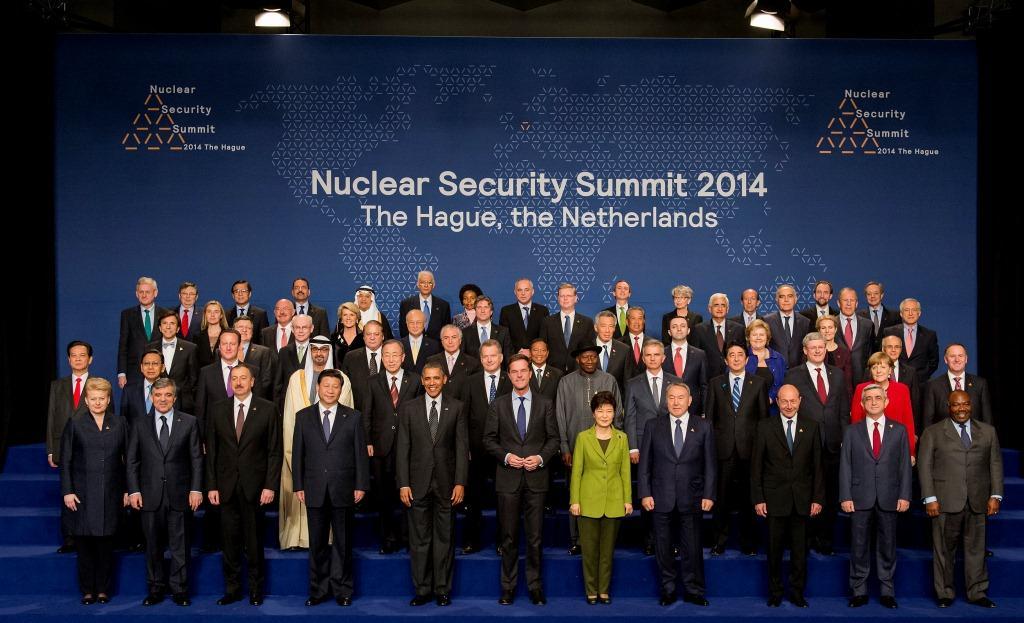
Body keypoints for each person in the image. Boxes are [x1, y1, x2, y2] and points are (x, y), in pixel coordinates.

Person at [483, 354, 559, 605]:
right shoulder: (498, 404)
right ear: (509, 375)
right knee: (508, 536)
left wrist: (540, 458)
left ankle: (535, 586)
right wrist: (505, 456)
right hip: (508, 479)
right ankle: (508, 587)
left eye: (523, 371)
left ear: (529, 373)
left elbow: (554, 439)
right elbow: (489, 439)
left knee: (535, 538)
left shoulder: (545, 403)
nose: (518, 375)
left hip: (537, 478)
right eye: (513, 372)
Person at [292, 369, 370, 607]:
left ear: (341, 389)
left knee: (343, 544)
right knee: (316, 544)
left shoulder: (353, 417)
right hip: (313, 488)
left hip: (344, 488)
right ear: (318, 387)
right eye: (326, 385)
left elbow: (360, 455)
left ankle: (342, 589)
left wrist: (361, 485)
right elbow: (298, 455)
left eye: (335, 386)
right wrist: (298, 485)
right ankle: (317, 590)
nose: (330, 390)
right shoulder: (303, 416)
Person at [918, 390, 1003, 609]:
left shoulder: (988, 432)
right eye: (956, 405)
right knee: (944, 550)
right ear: (949, 407)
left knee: (976, 549)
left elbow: (995, 464)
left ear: (971, 405)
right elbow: (924, 467)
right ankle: (944, 592)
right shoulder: (933, 432)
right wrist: (929, 497)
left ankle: (977, 592)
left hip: (978, 500)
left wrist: (996, 495)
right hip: (945, 501)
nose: (961, 409)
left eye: (965, 404)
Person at [206, 363, 282, 606]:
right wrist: (212, 486)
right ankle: (233, 589)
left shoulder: (268, 409)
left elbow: (274, 451)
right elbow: (212, 452)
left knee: (254, 542)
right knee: (229, 542)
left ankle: (256, 590)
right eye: (234, 378)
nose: (238, 382)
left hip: (256, 488)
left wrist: (270, 486)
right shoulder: (217, 410)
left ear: (252, 382)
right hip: (226, 486)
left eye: (243, 378)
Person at [126, 378, 203, 607]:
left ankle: (180, 590)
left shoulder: (189, 422)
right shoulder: (139, 424)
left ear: (174, 398)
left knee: (180, 546)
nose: (162, 399)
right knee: (152, 546)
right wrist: (133, 491)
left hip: (180, 494)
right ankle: (156, 588)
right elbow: (132, 461)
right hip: (149, 495)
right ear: (152, 397)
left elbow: (196, 459)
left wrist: (196, 489)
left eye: (168, 395)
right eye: (158, 395)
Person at [396, 361, 468, 607]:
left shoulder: (457, 408)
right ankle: (422, 589)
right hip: (416, 484)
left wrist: (460, 482)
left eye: (436, 378)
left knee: (444, 540)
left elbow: (461, 448)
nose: (431, 383)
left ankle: (442, 589)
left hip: (448, 485)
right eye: (427, 379)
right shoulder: (408, 408)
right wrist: (403, 483)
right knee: (419, 541)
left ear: (444, 379)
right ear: (422, 381)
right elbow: (402, 449)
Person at [639, 382, 715, 607]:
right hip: (660, 496)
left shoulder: (704, 426)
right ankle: (668, 589)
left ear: (690, 400)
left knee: (692, 547)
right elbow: (645, 465)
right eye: (671, 397)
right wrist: (644, 493)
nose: (676, 402)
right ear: (666, 400)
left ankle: (694, 590)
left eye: (681, 397)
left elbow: (710, 465)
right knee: (663, 547)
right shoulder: (653, 425)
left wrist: (709, 495)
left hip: (692, 496)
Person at [751, 384, 824, 608]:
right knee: (774, 551)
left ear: (800, 400)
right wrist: (758, 498)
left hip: (802, 500)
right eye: (784, 401)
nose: (789, 405)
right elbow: (756, 467)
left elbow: (817, 467)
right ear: (777, 402)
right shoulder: (764, 427)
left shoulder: (811, 427)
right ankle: (775, 593)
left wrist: (817, 498)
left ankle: (797, 593)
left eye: (793, 401)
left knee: (800, 553)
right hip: (774, 500)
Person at [839, 384, 912, 609]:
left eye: (878, 398)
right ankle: (859, 590)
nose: (873, 402)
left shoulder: (899, 430)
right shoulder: (852, 431)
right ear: (861, 404)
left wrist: (905, 495)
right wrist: (845, 496)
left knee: (887, 546)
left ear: (886, 402)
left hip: (890, 497)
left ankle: (887, 591)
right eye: (868, 398)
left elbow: (904, 468)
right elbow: (846, 466)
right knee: (858, 546)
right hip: (860, 497)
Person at [59, 377, 129, 605]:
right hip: (81, 494)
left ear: (109, 400)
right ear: (86, 401)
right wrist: (68, 491)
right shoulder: (75, 423)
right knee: (85, 546)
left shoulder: (120, 424)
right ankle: (87, 590)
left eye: (102, 398)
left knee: (105, 546)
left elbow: (128, 460)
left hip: (110, 491)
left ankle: (102, 590)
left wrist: (129, 490)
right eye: (93, 399)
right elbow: (66, 461)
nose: (98, 402)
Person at [280, 336, 353, 550]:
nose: (319, 354)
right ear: (310, 352)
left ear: (330, 352)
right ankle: (297, 538)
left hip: (333, 458)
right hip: (302, 451)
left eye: (324, 350)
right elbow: (289, 419)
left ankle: (328, 539)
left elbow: (345, 421)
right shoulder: (296, 378)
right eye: (315, 350)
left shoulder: (343, 380)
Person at [782, 332, 850, 556]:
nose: (818, 351)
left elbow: (842, 410)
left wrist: (842, 438)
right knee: (804, 494)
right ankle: (804, 539)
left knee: (828, 496)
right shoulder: (793, 375)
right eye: (813, 348)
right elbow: (791, 410)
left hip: (832, 444)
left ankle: (825, 539)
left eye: (821, 347)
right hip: (805, 444)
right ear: (805, 351)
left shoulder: (838, 375)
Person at [556, 345, 622, 555]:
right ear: (578, 360)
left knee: (603, 492)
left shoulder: (609, 380)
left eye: (594, 357)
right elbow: (560, 416)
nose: (590, 360)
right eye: (585, 357)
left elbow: (618, 413)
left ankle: (602, 540)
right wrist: (565, 446)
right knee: (576, 492)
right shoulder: (566, 382)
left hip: (605, 449)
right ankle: (577, 540)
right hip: (575, 448)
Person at [569, 391, 632, 605]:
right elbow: (576, 471)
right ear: (593, 414)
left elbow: (625, 471)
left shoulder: (622, 438)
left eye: (609, 411)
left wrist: (628, 500)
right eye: (600, 411)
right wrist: (574, 501)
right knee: (589, 551)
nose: (605, 415)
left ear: (615, 413)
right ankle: (591, 590)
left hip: (614, 501)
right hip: (587, 501)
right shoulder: (583, 437)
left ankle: (603, 590)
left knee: (607, 552)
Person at [707, 344, 769, 556]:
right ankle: (719, 541)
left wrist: (761, 450)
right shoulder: (715, 383)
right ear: (725, 360)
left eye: (739, 355)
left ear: (747, 359)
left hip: (749, 450)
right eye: (731, 355)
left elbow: (763, 421)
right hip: (722, 450)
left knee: (748, 499)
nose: (735, 359)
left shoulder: (758, 383)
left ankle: (748, 542)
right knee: (721, 499)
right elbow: (709, 419)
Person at [48, 341, 107, 554]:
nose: (78, 359)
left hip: (91, 448)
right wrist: (51, 449)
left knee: (90, 492)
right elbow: (51, 417)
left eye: (83, 355)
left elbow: (109, 417)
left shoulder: (99, 385)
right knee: (67, 490)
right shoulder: (58, 385)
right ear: (69, 359)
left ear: (90, 359)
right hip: (64, 447)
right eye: (74, 355)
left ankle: (91, 533)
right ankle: (69, 538)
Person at [363, 340, 422, 554]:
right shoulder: (372, 381)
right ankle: (388, 539)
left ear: (403, 357)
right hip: (381, 448)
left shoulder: (415, 380)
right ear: (381, 357)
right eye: (386, 355)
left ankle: (408, 538)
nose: (390, 359)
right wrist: (368, 441)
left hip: (409, 448)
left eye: (395, 355)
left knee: (409, 496)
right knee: (384, 498)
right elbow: (367, 413)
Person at [624, 340, 681, 555]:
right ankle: (649, 541)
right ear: (644, 358)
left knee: (671, 495)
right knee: (647, 495)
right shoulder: (633, 383)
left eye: (657, 354)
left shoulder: (676, 381)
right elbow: (629, 416)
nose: (653, 358)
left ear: (664, 357)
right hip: (644, 448)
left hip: (670, 448)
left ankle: (671, 542)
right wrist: (633, 448)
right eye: (648, 355)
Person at [459, 340, 511, 553]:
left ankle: (502, 541)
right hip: (476, 450)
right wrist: (465, 449)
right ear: (481, 359)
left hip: (504, 451)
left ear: (500, 357)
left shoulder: (511, 380)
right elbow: (462, 417)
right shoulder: (469, 382)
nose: (489, 360)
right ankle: (473, 540)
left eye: (493, 355)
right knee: (474, 500)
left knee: (504, 501)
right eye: (485, 356)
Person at [850, 353, 916, 459]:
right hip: (868, 446)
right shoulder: (861, 389)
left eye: (883, 367)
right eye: (874, 367)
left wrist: (911, 452)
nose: (878, 371)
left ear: (890, 370)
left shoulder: (902, 389)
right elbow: (856, 420)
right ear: (870, 371)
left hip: (896, 445)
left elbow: (908, 421)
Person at [117, 276, 171, 388]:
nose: (144, 295)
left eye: (148, 292)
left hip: (159, 370)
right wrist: (122, 373)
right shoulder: (127, 315)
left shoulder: (166, 314)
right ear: (137, 294)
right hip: (134, 371)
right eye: (141, 292)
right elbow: (123, 345)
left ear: (155, 293)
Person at [923, 343, 993, 425]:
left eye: (960, 356)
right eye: (952, 356)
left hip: (974, 436)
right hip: (943, 436)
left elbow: (987, 418)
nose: (957, 359)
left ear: (966, 359)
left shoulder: (980, 384)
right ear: (945, 360)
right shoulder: (933, 385)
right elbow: (927, 421)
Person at [147, 309, 199, 412]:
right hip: (157, 403)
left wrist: (188, 399)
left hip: (184, 404)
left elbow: (194, 379)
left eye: (172, 323)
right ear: (160, 328)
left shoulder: (190, 348)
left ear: (178, 328)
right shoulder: (149, 349)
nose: (168, 326)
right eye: (165, 323)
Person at [540, 282, 596, 374]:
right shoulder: (547, 322)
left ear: (575, 298)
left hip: (579, 372)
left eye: (569, 296)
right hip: (553, 372)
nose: (565, 299)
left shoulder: (587, 322)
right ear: (558, 299)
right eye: (562, 296)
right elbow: (542, 348)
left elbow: (591, 350)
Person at [691, 293, 745, 381]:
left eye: (723, 305)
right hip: (707, 380)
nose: (720, 309)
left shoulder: (738, 329)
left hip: (732, 378)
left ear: (727, 309)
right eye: (716, 305)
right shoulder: (699, 329)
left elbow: (743, 355)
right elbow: (695, 358)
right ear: (709, 308)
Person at [881, 297, 939, 380]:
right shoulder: (889, 332)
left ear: (919, 313)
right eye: (907, 310)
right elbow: (882, 356)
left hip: (920, 384)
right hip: (894, 381)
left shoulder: (929, 335)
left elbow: (934, 362)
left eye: (914, 310)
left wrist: (920, 377)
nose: (910, 313)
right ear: (901, 313)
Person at [661, 315, 708, 415]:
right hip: (666, 411)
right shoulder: (661, 354)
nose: (679, 329)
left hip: (694, 411)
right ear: (669, 332)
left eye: (682, 326)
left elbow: (704, 386)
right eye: (674, 326)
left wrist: (704, 411)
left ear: (688, 330)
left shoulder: (700, 354)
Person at [341, 319, 385, 413]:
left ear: (383, 336)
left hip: (386, 415)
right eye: (368, 334)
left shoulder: (392, 356)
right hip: (358, 413)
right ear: (363, 337)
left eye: (376, 334)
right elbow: (344, 387)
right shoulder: (351, 357)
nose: (372, 338)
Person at [426, 324, 481, 399]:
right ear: (441, 341)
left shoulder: (472, 363)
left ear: (460, 340)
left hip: (463, 407)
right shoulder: (432, 361)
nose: (450, 341)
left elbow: (475, 391)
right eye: (446, 338)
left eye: (454, 337)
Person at [499, 278, 550, 355]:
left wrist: (532, 351)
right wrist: (518, 353)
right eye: (519, 290)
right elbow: (505, 339)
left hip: (537, 357)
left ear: (532, 291)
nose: (523, 293)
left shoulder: (543, 311)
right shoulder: (506, 311)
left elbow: (544, 337)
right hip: (515, 357)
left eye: (526, 290)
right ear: (515, 292)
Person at [764, 284, 810, 368]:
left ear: (795, 299)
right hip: (774, 370)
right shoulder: (766, 321)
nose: (786, 300)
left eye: (790, 296)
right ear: (777, 300)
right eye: (782, 297)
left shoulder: (805, 322)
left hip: (798, 372)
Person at [745, 319, 786, 411]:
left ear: (767, 338)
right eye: (754, 335)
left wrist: (770, 398)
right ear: (748, 337)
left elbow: (783, 383)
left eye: (762, 335)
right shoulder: (741, 356)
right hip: (746, 409)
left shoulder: (778, 358)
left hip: (772, 409)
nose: (758, 338)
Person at [273, 314, 314, 406]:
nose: (300, 331)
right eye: (297, 327)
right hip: (288, 404)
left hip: (310, 403)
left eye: (304, 327)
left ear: (311, 328)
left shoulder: (317, 351)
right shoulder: (284, 352)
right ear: (292, 329)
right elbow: (278, 383)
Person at [398, 270, 452, 340]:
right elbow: (403, 329)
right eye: (423, 282)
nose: (426, 285)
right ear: (418, 284)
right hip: (413, 348)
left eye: (429, 283)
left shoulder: (443, 305)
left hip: (437, 348)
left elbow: (446, 330)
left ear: (434, 285)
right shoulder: (406, 304)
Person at [836, 287, 874, 385]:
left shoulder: (868, 325)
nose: (849, 304)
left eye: (852, 300)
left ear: (856, 303)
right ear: (838, 303)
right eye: (845, 300)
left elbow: (871, 353)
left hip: (862, 379)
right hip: (837, 380)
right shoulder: (831, 324)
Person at [233, 315, 276, 399]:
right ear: (233, 330)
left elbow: (266, 381)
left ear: (252, 332)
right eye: (240, 327)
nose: (244, 330)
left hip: (254, 400)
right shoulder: (224, 351)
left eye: (248, 328)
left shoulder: (263, 352)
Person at [120, 349, 166, 422]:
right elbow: (124, 421)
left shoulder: (172, 390)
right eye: (146, 363)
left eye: (155, 363)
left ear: (163, 367)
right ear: (141, 367)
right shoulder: (129, 390)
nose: (150, 367)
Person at [462, 295, 511, 361]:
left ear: (491, 312)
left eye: (486, 307)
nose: (482, 311)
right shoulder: (465, 333)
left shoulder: (503, 332)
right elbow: (463, 358)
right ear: (475, 311)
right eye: (479, 307)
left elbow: (508, 358)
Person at [815, 315, 853, 399]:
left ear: (835, 329)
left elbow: (848, 382)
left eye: (830, 327)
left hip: (839, 397)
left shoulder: (844, 352)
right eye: (823, 328)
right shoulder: (813, 352)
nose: (827, 331)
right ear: (818, 331)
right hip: (817, 397)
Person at [594, 310, 630, 393]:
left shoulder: (624, 350)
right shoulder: (587, 348)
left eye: (611, 326)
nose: (607, 330)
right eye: (603, 326)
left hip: (615, 399)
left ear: (614, 328)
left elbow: (627, 381)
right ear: (596, 327)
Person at [859, 281, 901, 351]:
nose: (872, 296)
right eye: (869, 294)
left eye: (876, 293)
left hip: (887, 359)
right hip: (865, 359)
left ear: (881, 295)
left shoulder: (895, 316)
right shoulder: (858, 316)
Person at [401, 309, 441, 374]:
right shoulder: (399, 344)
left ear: (425, 324)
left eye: (418, 322)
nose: (415, 326)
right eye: (411, 322)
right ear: (406, 323)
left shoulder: (434, 345)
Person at [195, 300, 229, 369]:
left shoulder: (229, 335)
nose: (212, 315)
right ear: (205, 315)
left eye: (216, 312)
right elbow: (195, 362)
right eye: (209, 311)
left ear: (221, 315)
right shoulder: (197, 336)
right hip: (203, 376)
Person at [618, 307, 650, 380]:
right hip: (625, 388)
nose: (637, 322)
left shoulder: (653, 343)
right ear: (627, 321)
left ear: (644, 321)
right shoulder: (618, 344)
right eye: (633, 318)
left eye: (640, 318)